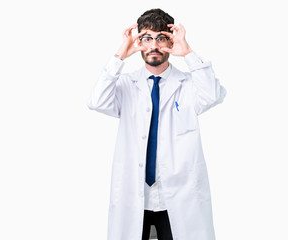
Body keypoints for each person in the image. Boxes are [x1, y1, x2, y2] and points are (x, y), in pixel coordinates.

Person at [88, 8, 226, 240]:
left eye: (161, 38)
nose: (154, 46)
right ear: (138, 42)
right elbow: (96, 101)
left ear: (172, 41)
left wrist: (188, 53)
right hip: (135, 197)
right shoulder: (125, 85)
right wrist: (120, 55)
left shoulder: (189, 84)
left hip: (179, 196)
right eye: (147, 39)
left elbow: (213, 95)